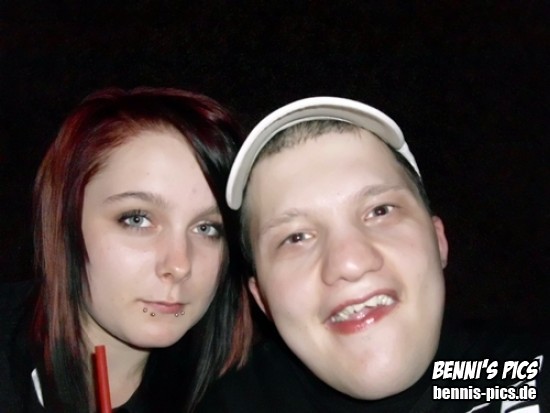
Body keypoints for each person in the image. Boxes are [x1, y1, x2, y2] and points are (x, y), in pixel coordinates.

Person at [197, 97, 549, 412]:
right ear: (262, 299)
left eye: (380, 211)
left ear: (439, 240)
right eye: (296, 237)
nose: (349, 263)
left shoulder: (524, 372)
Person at [0, 87, 252, 412]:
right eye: (137, 219)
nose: (179, 265)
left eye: (207, 228)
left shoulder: (252, 393)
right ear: (64, 221)